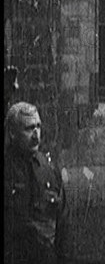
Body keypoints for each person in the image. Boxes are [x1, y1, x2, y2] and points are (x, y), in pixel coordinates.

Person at [4, 102, 72, 264]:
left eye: (38, 127)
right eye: (28, 129)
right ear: (12, 133)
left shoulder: (48, 168)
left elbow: (62, 220)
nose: (36, 135)